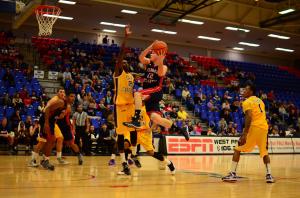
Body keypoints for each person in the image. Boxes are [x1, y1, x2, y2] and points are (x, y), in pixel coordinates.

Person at [123, 40, 189, 141]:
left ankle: (136, 119)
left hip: (156, 90)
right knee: (156, 118)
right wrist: (151, 46)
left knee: (137, 93)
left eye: (153, 52)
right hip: (148, 92)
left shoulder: (164, 66)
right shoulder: (148, 63)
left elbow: (160, 74)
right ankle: (180, 129)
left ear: (158, 55)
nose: (151, 53)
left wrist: (161, 60)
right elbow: (141, 57)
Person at [222, 81, 275, 183]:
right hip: (264, 128)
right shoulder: (260, 101)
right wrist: (266, 137)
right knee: (264, 151)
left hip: (254, 127)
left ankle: (232, 173)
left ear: (251, 91)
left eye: (246, 89)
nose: (244, 91)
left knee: (238, 148)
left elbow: (249, 116)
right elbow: (263, 117)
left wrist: (245, 134)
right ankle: (269, 175)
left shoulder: (247, 102)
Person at [112, 25, 140, 175]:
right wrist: (126, 38)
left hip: (130, 107)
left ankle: (133, 155)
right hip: (120, 107)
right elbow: (120, 56)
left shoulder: (131, 77)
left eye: (125, 62)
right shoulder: (119, 73)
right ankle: (124, 163)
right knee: (121, 135)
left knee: (134, 131)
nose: (124, 62)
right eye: (122, 62)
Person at [29, 88, 67, 170]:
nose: (62, 93)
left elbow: (55, 113)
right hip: (46, 121)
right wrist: (46, 123)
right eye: (60, 92)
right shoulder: (58, 101)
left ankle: (44, 159)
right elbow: (47, 110)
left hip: (50, 121)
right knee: (43, 141)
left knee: (51, 140)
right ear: (57, 93)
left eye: (63, 92)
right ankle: (36, 160)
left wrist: (60, 115)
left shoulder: (62, 102)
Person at [56, 91, 83, 165]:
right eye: (71, 96)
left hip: (66, 126)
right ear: (67, 97)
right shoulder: (63, 103)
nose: (73, 98)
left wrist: (73, 128)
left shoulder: (68, 106)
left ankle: (79, 155)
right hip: (58, 125)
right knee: (55, 141)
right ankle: (56, 157)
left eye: (74, 97)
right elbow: (60, 116)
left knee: (71, 143)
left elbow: (62, 117)